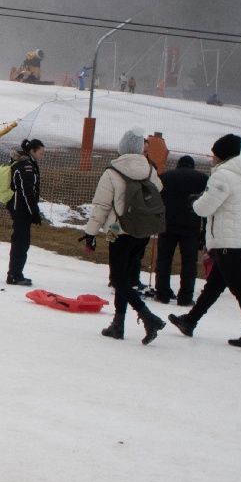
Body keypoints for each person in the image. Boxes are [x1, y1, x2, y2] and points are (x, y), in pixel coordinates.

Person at [169, 134, 241, 349]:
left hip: (228, 240)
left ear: (220, 155)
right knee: (214, 285)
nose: (212, 158)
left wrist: (195, 202)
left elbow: (206, 207)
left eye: (214, 154)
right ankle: (190, 321)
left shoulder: (223, 175)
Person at [80, 129, 167, 345]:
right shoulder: (149, 170)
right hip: (143, 230)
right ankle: (118, 324)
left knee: (118, 279)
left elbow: (101, 206)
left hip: (117, 231)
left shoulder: (112, 171)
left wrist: (90, 234)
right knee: (126, 279)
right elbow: (158, 190)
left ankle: (147, 316)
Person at [154, 154, 208, 305]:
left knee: (164, 259)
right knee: (189, 263)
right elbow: (207, 206)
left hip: (167, 225)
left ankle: (162, 293)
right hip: (191, 227)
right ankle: (185, 297)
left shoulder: (165, 177)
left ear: (178, 165)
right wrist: (205, 231)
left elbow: (156, 199)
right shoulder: (203, 179)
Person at [4, 138, 44, 285]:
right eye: (41, 152)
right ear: (32, 151)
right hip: (20, 209)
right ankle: (14, 275)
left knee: (21, 241)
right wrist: (34, 212)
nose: (42, 155)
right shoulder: (26, 166)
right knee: (21, 242)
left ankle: (15, 273)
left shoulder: (26, 163)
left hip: (20, 208)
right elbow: (26, 192)